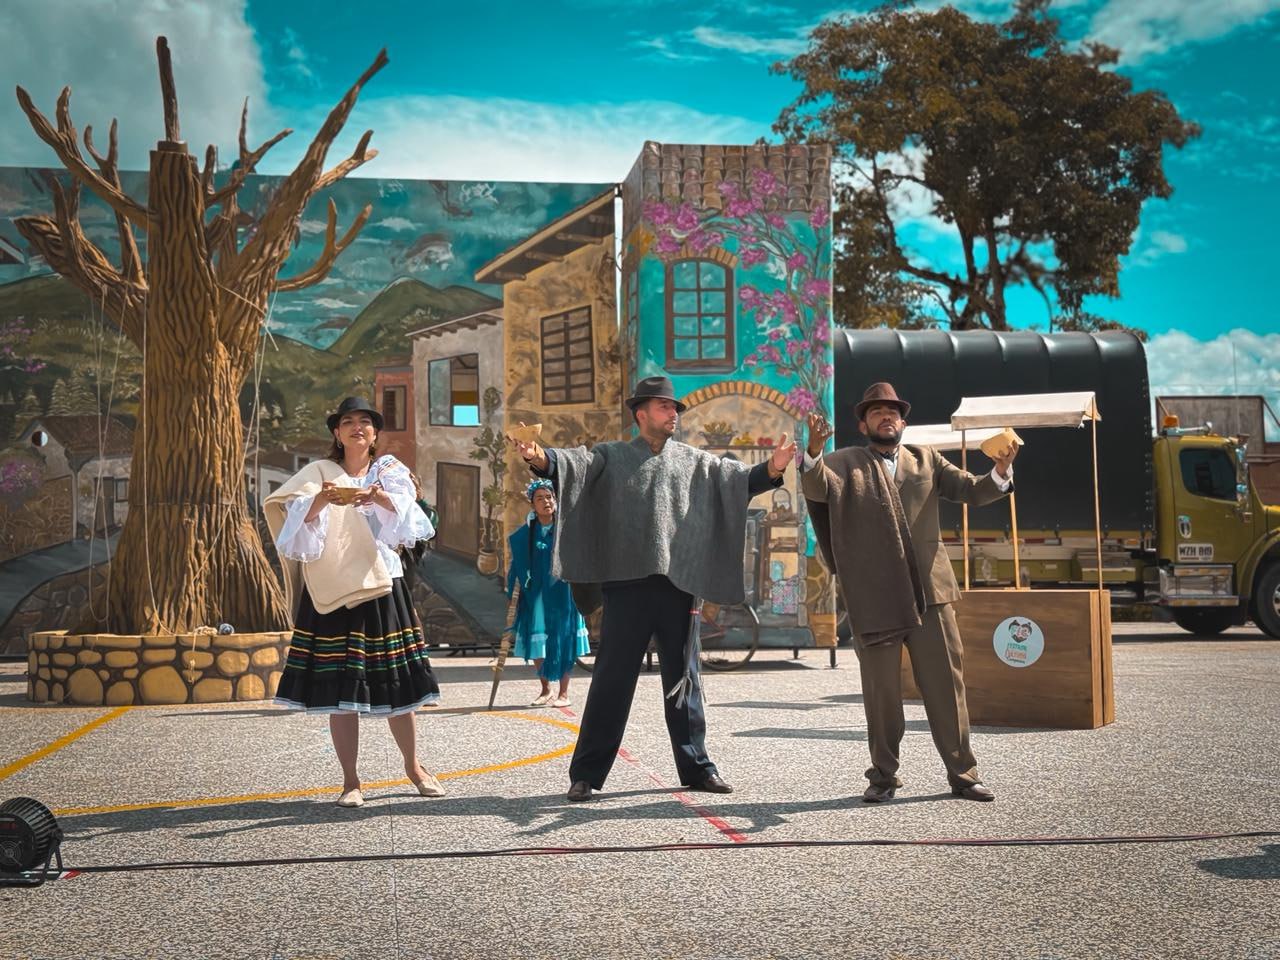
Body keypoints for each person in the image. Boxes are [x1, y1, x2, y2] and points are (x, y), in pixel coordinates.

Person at [508, 375, 796, 802]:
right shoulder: (612, 455)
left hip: (679, 587)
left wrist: (773, 467)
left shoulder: (694, 460)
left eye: (675, 408)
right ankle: (586, 773)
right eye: (665, 407)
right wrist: (541, 458)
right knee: (611, 680)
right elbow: (574, 465)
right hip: (626, 585)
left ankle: (697, 767)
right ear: (641, 414)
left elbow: (735, 480)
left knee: (684, 679)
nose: (673, 414)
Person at [801, 382, 1016, 804]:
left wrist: (1002, 471)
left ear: (903, 421)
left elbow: (973, 489)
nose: (886, 417)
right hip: (874, 594)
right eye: (877, 412)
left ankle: (964, 774)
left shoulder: (927, 459)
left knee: (946, 687)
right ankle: (883, 777)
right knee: (881, 693)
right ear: (863, 423)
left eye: (893, 412)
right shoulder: (843, 463)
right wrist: (813, 450)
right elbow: (816, 487)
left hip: (929, 592)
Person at [263, 396, 446, 809]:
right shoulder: (318, 475)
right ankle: (350, 781)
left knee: (397, 686)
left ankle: (415, 768)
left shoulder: (389, 471)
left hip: (381, 583)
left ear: (375, 433)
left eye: (366, 422)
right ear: (337, 432)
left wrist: (375, 496)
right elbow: (294, 529)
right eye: (348, 422)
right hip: (334, 588)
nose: (357, 428)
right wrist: (323, 500)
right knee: (339, 690)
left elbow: (411, 522)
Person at [506, 478, 590, 707]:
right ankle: (545, 689)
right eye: (540, 498)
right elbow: (518, 564)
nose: (546, 502)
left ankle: (564, 693)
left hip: (564, 594)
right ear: (532, 504)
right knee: (537, 639)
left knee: (563, 638)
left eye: (549, 497)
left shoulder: (567, 530)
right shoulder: (525, 535)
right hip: (537, 595)